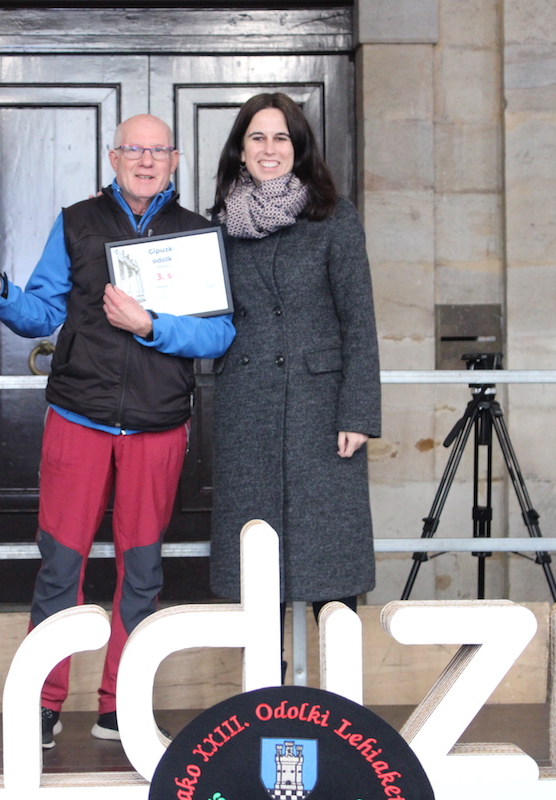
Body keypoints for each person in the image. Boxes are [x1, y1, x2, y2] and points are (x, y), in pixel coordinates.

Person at [0, 114, 235, 748]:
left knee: (142, 571)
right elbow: (41, 314)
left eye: (158, 151)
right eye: (133, 149)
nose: (146, 160)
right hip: (78, 417)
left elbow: (220, 334)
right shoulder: (77, 222)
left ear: (174, 160)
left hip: (158, 425)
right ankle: (44, 703)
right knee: (61, 565)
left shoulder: (196, 233)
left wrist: (150, 326)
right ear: (113, 158)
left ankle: (121, 706)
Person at [208, 93, 381, 628]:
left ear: (298, 147)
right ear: (240, 150)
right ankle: (269, 681)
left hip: (320, 412)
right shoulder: (219, 224)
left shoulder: (335, 216)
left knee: (331, 565)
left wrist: (358, 413)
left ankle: (339, 680)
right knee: (255, 571)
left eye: (281, 137)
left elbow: (359, 320)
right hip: (247, 408)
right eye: (257, 137)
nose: (269, 148)